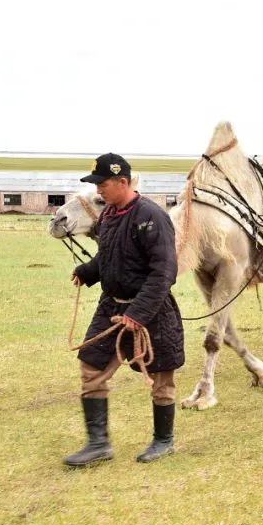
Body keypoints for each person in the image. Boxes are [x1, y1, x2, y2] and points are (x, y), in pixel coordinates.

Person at [63, 153, 185, 467]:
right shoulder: (110, 216)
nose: (98, 190)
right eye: (96, 185)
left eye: (101, 184)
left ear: (122, 182)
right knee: (91, 369)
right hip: (111, 307)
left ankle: (163, 441)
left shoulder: (151, 217)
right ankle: (98, 444)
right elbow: (109, 257)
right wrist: (89, 272)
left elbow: (164, 272)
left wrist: (139, 313)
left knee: (161, 379)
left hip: (150, 311)